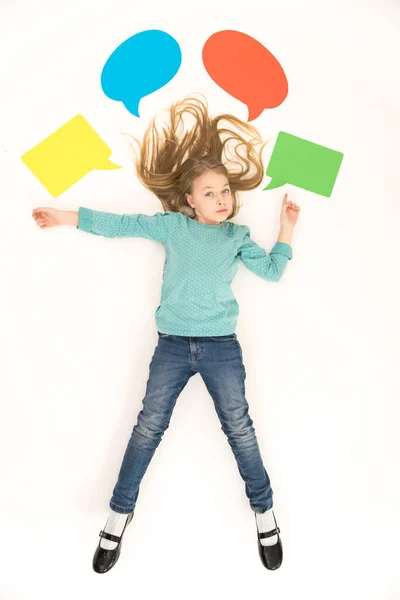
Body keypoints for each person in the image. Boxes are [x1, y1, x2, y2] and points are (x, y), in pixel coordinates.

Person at [32, 93, 301, 574]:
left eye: (225, 192)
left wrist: (285, 230)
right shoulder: (173, 228)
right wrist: (65, 217)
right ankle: (117, 517)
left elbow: (274, 272)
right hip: (173, 348)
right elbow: (121, 225)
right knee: (147, 430)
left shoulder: (235, 237)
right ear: (189, 200)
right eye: (211, 193)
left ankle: (265, 515)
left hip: (221, 350)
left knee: (240, 430)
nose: (222, 200)